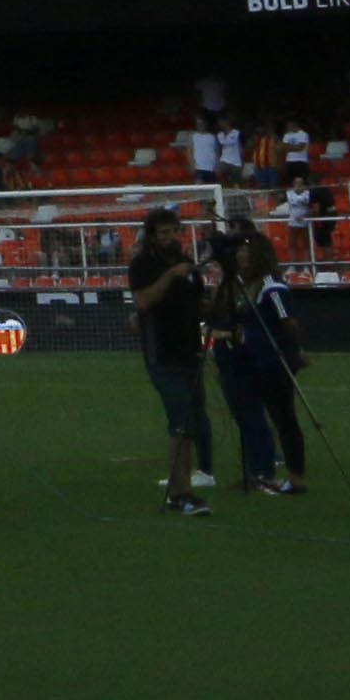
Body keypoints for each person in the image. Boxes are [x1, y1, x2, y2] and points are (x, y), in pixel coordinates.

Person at [128, 207, 217, 516]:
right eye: (164, 232)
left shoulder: (187, 264)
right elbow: (144, 301)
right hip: (162, 354)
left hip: (190, 352)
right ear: (153, 236)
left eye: (174, 231)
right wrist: (169, 276)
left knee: (190, 421)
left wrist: (217, 305)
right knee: (180, 421)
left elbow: (197, 306)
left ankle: (181, 490)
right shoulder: (143, 265)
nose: (170, 237)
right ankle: (182, 493)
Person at [214, 220, 311, 497]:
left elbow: (287, 321)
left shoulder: (271, 286)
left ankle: (295, 476)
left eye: (246, 252)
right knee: (273, 417)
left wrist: (291, 350)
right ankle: (268, 472)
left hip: (273, 361)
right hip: (258, 359)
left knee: (284, 418)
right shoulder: (250, 287)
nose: (241, 257)